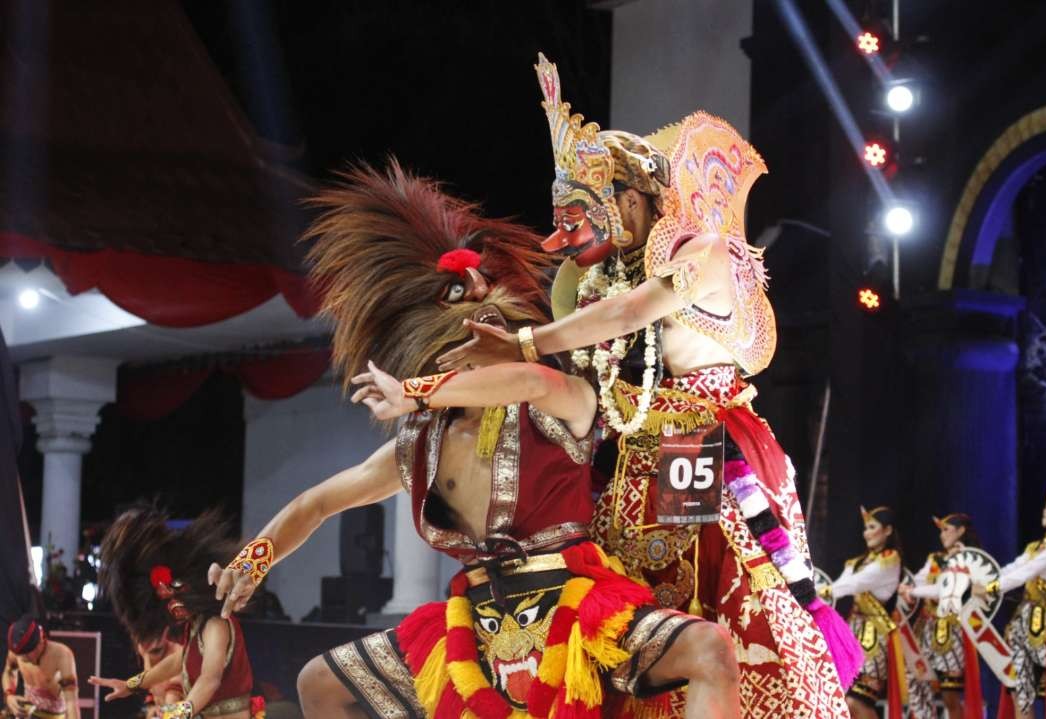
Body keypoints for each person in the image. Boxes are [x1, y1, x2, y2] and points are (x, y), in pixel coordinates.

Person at [209, 162, 740, 719]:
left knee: (709, 650)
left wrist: (415, 394)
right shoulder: (418, 444)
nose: (483, 303)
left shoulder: (557, 401)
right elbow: (316, 503)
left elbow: (530, 378)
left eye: (489, 292)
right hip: (471, 628)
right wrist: (255, 559)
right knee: (319, 684)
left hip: (576, 611)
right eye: (462, 302)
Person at [435, 52, 859, 718]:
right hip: (627, 453)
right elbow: (571, 361)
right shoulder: (594, 277)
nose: (566, 236)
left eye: (578, 216)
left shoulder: (701, 251)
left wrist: (525, 340)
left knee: (695, 591)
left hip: (700, 444)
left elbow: (630, 316)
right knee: (613, 601)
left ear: (628, 197)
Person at [88, 507, 263, 719]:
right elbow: (176, 662)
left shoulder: (216, 625)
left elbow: (210, 679)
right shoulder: (194, 626)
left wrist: (179, 712)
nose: (172, 606)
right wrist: (131, 684)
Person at [975, 486, 1046, 719]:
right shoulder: (1036, 546)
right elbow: (1016, 567)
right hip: (1024, 619)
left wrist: (991, 588)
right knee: (1019, 688)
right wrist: (986, 579)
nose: (1045, 510)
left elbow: (1028, 572)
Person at [821, 507, 905, 719]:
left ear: (887, 531)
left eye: (872, 527)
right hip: (853, 633)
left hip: (875, 637)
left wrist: (820, 591)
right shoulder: (857, 562)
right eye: (865, 528)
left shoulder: (889, 559)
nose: (866, 532)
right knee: (846, 702)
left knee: (858, 700)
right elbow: (840, 584)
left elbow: (855, 584)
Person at [898, 514, 983, 719]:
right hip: (926, 629)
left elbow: (943, 590)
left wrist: (913, 592)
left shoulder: (968, 558)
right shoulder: (935, 558)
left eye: (946, 529)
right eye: (941, 530)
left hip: (952, 632)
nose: (942, 535)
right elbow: (920, 579)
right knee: (917, 687)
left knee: (950, 697)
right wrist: (906, 587)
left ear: (961, 530)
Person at [2, 616, 78, 719]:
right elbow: (9, 671)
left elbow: (71, 702)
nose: (23, 659)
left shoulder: (61, 654)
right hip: (27, 713)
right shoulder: (18, 651)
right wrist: (9, 695)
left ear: (40, 642)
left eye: (27, 654)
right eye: (20, 655)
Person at [135, 635, 183, 718]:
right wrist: (151, 708)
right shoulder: (143, 647)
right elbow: (152, 687)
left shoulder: (178, 649)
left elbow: (175, 692)